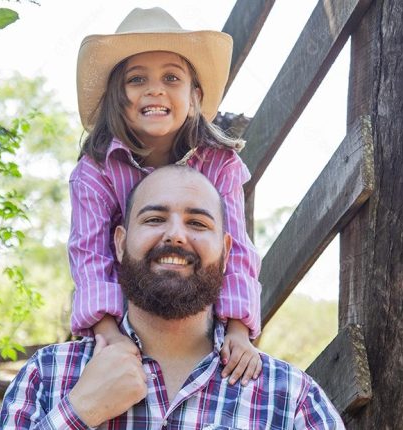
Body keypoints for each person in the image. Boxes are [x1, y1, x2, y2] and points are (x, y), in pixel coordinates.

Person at [0, 166, 344, 429]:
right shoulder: (49, 375)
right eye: (155, 218)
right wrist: (81, 410)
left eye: (197, 223)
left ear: (224, 252)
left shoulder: (290, 398)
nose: (175, 235)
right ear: (118, 243)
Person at [69, 6, 262, 386]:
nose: (155, 89)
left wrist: (239, 329)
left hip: (197, 309)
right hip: (128, 307)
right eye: (137, 79)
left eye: (171, 77)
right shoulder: (96, 170)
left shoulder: (219, 162)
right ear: (116, 97)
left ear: (194, 95)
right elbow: (89, 253)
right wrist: (106, 330)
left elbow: (236, 247)